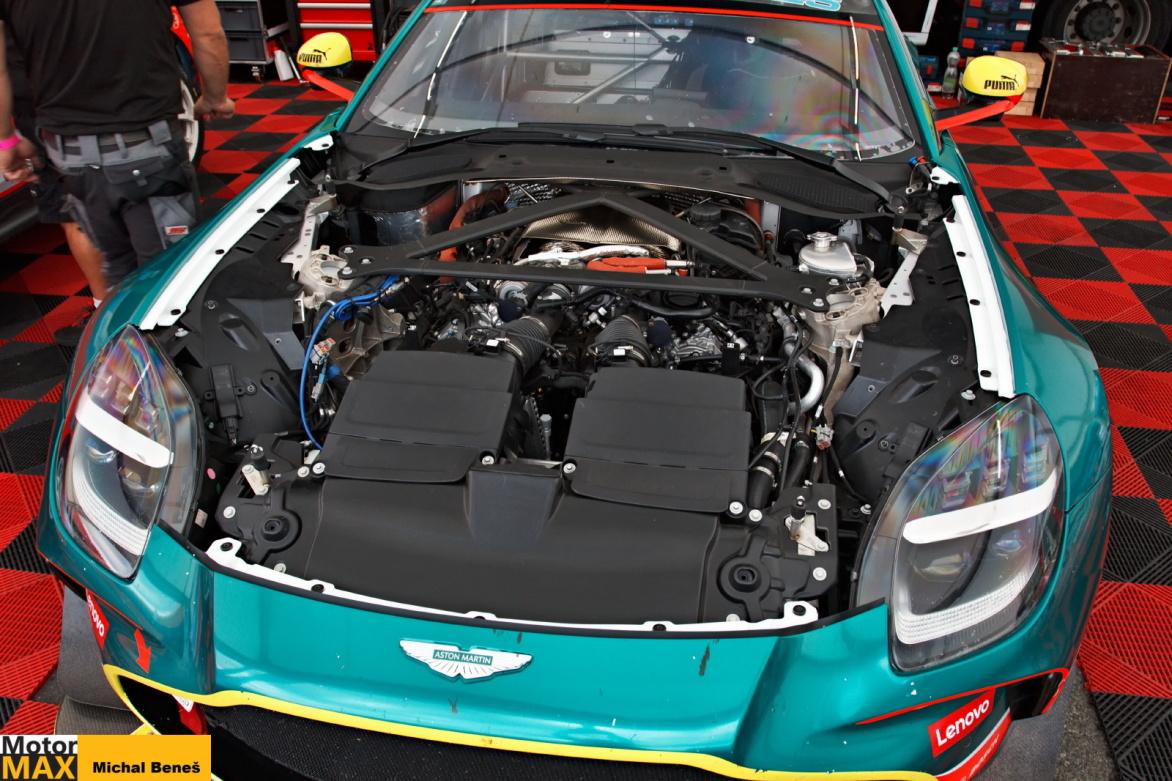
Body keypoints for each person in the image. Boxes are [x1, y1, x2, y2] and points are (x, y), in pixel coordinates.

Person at [0, 0, 235, 301]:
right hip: (147, 143)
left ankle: (112, 318)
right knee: (170, 276)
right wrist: (215, 97)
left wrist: (7, 141)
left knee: (117, 270)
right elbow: (208, 33)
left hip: (70, 154)